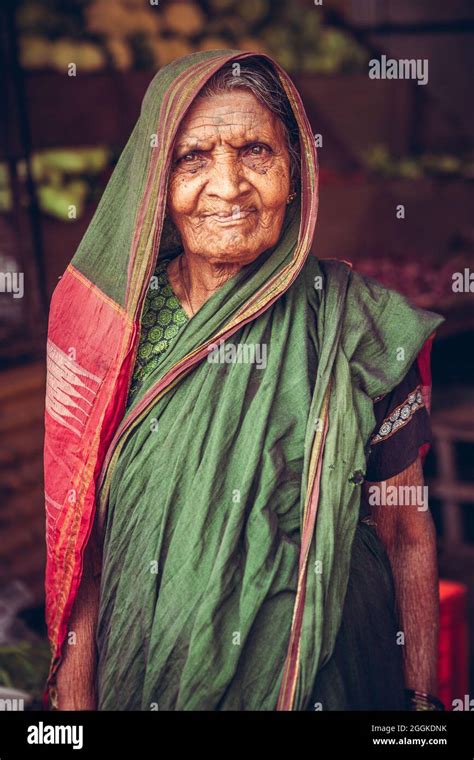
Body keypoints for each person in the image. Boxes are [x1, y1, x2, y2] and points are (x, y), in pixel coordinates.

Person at [43, 50, 445, 712]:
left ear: (296, 171)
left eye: (255, 151)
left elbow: (405, 532)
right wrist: (76, 701)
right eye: (192, 158)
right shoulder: (113, 335)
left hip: (334, 680)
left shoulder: (356, 325)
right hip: (149, 677)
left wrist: (423, 705)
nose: (228, 186)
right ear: (155, 182)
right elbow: (82, 544)